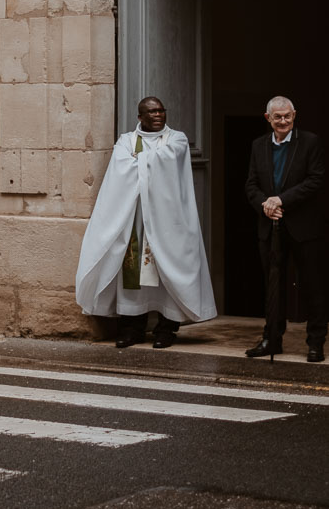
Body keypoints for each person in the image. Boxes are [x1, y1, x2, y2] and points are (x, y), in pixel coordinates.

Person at [75, 96, 216, 348]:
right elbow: (121, 170)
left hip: (168, 220)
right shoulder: (126, 140)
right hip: (135, 218)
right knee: (134, 273)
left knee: (167, 272)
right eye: (151, 112)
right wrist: (145, 164)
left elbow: (163, 162)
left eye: (161, 110)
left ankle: (166, 329)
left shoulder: (177, 139)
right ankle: (132, 328)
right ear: (140, 117)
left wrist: (138, 163)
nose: (158, 115)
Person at [244, 96, 327, 361]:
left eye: (287, 116)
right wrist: (266, 205)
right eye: (277, 117)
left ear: (294, 115)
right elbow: (251, 185)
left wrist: (281, 200)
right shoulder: (258, 145)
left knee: (313, 286)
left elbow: (316, 179)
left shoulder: (310, 142)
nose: (283, 121)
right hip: (270, 226)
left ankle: (316, 343)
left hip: (304, 227)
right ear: (267, 118)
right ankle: (272, 339)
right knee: (273, 287)